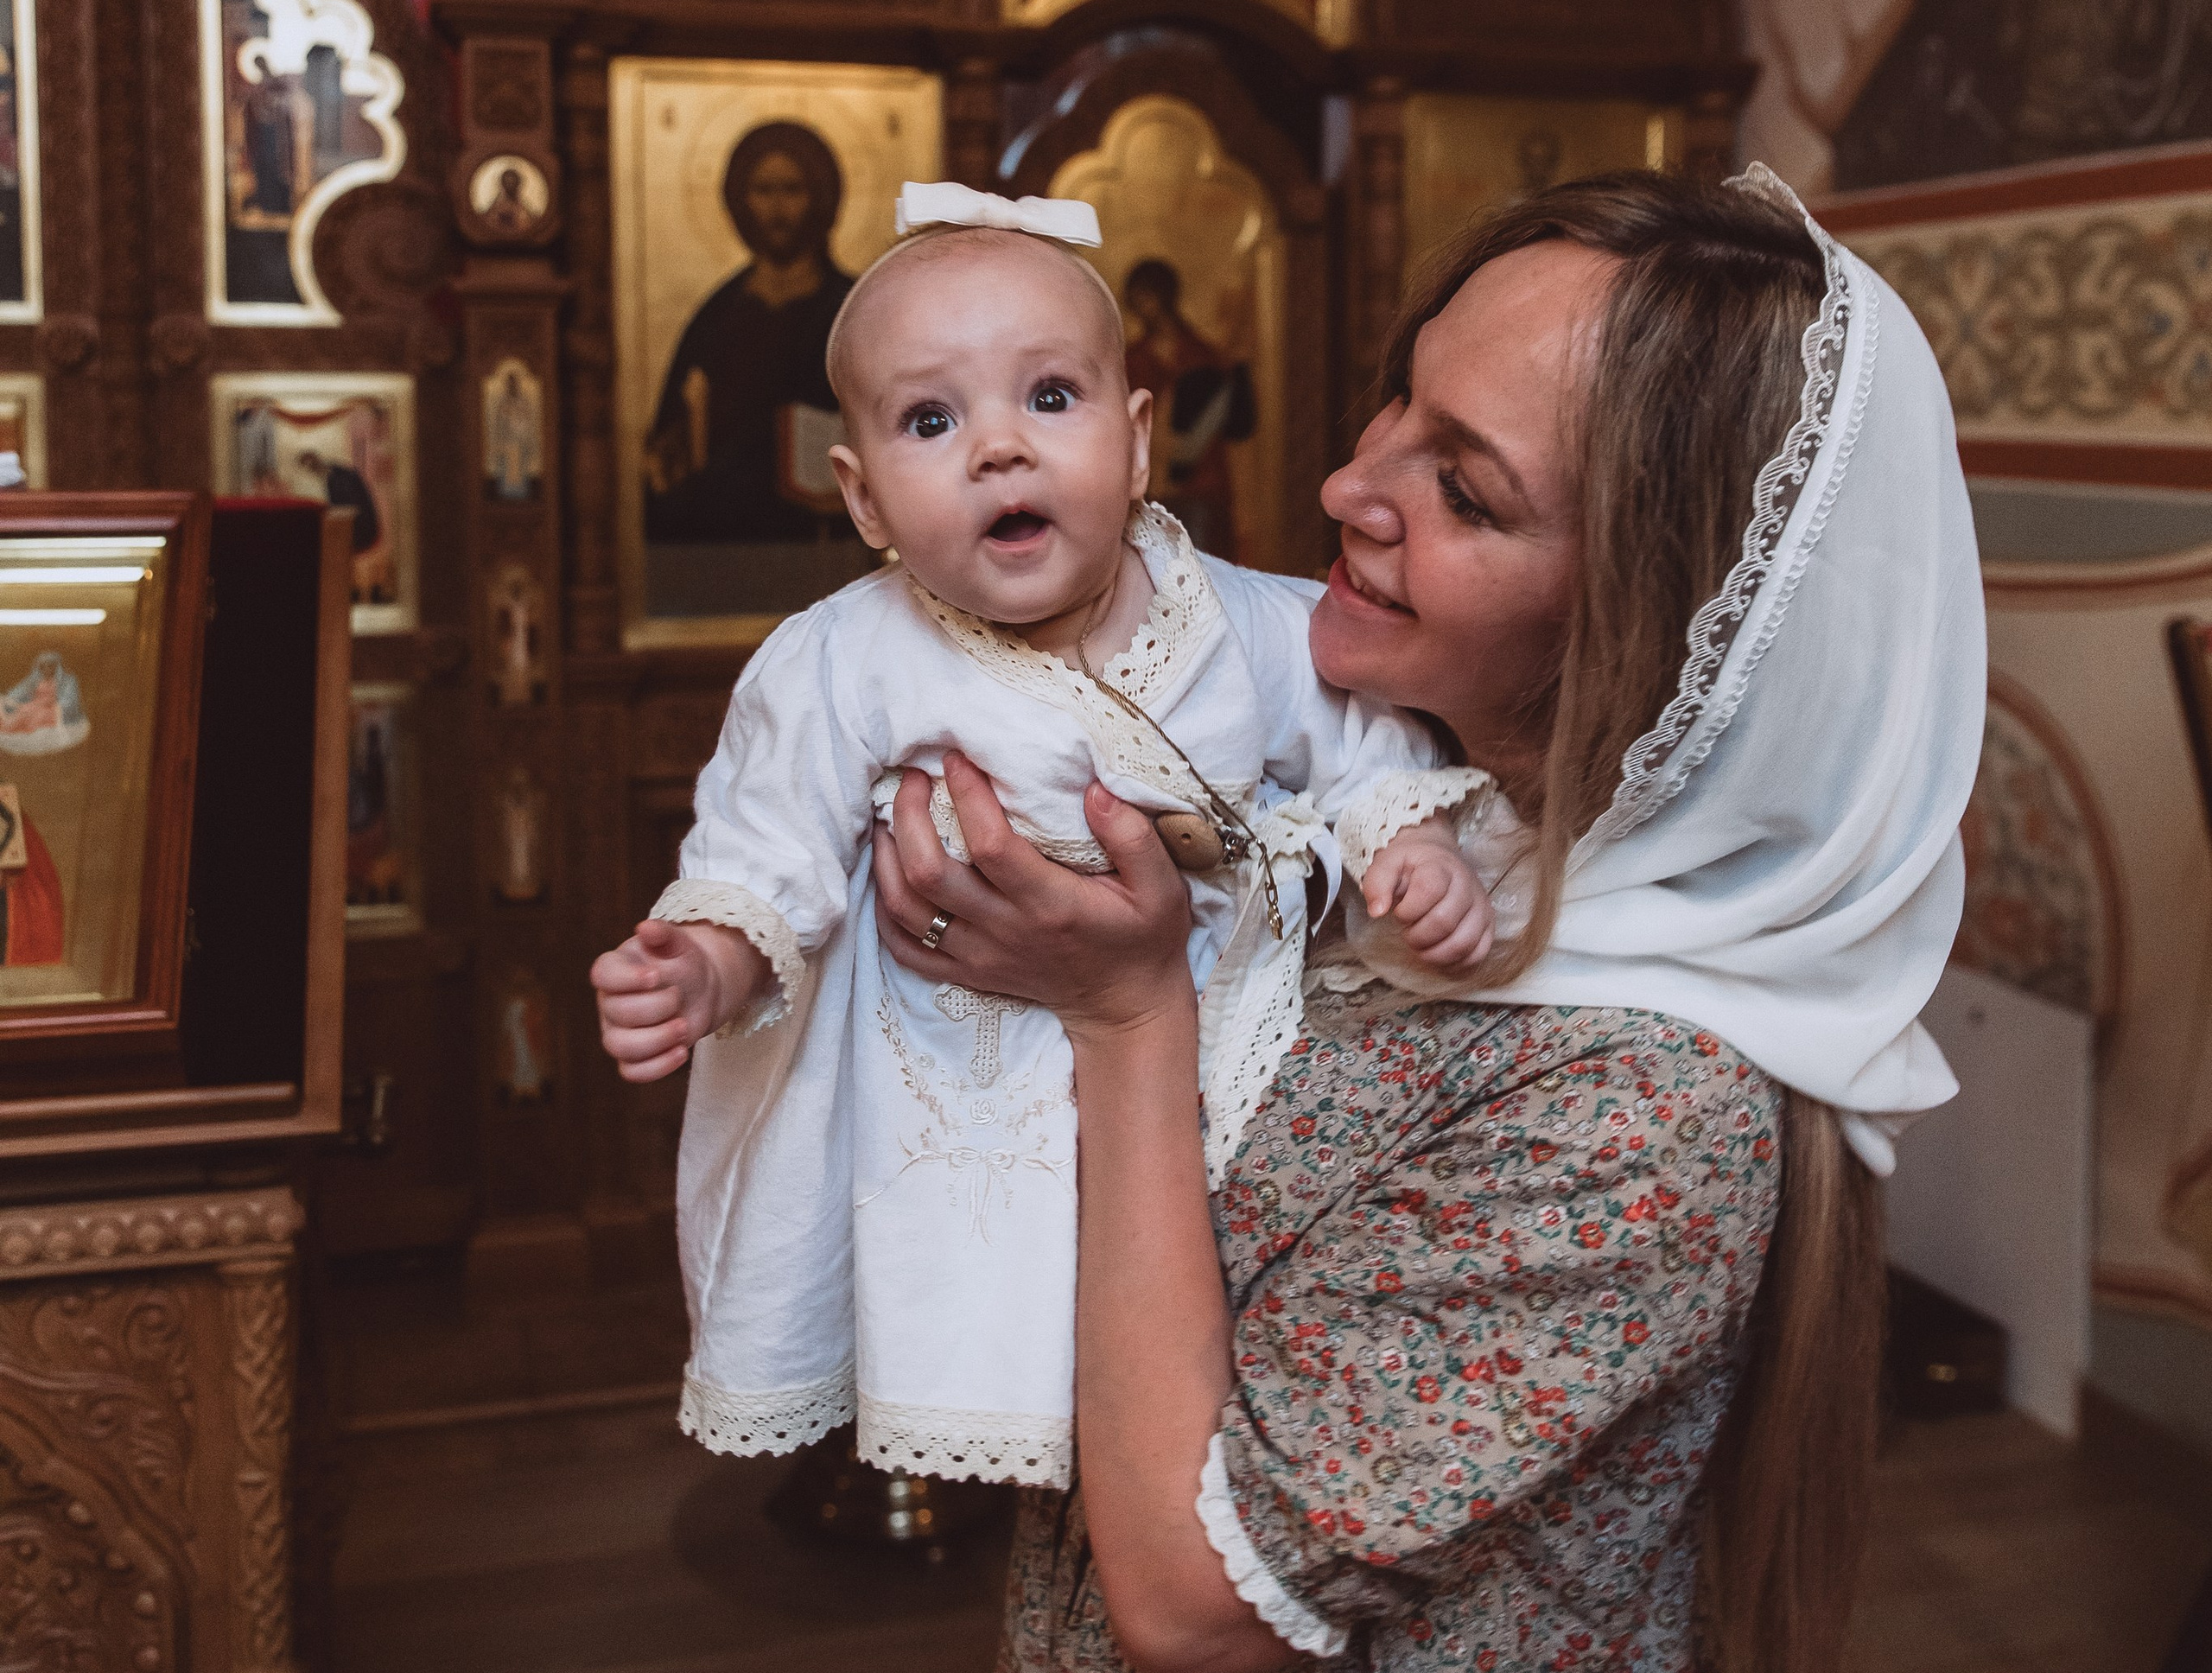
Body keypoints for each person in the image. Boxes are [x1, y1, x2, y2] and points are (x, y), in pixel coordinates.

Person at [861, 164, 1984, 1672]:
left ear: (1653, 614)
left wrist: (1126, 1015)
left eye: (1464, 488)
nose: (1348, 485)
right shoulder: (1399, 831)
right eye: (1399, 399)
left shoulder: (1647, 1104)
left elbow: (1198, 1615)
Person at [590, 181, 1497, 1495]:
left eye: (1050, 399)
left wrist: (1404, 849)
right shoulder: (839, 660)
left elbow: (1358, 745)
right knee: (989, 1309)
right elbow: (765, 850)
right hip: (960, 1070)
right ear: (863, 499)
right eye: (931, 419)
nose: (999, 450)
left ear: (1137, 443)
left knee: (1199, 1343)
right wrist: (708, 964)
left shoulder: (1246, 619)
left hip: (1204, 1045)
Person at [645, 122, 855, 546]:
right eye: (763, 190)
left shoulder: (854, 306)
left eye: (792, 190)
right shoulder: (718, 315)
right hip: (728, 537)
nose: (777, 207)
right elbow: (670, 439)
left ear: (819, 198)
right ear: (740, 201)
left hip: (830, 535)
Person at [1122, 258, 1256, 561]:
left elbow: (1236, 425)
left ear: (1164, 295)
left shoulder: (1205, 356)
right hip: (1153, 484)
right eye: (1136, 298)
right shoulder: (1132, 360)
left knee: (1206, 566)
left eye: (1147, 295)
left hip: (1202, 485)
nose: (1141, 305)